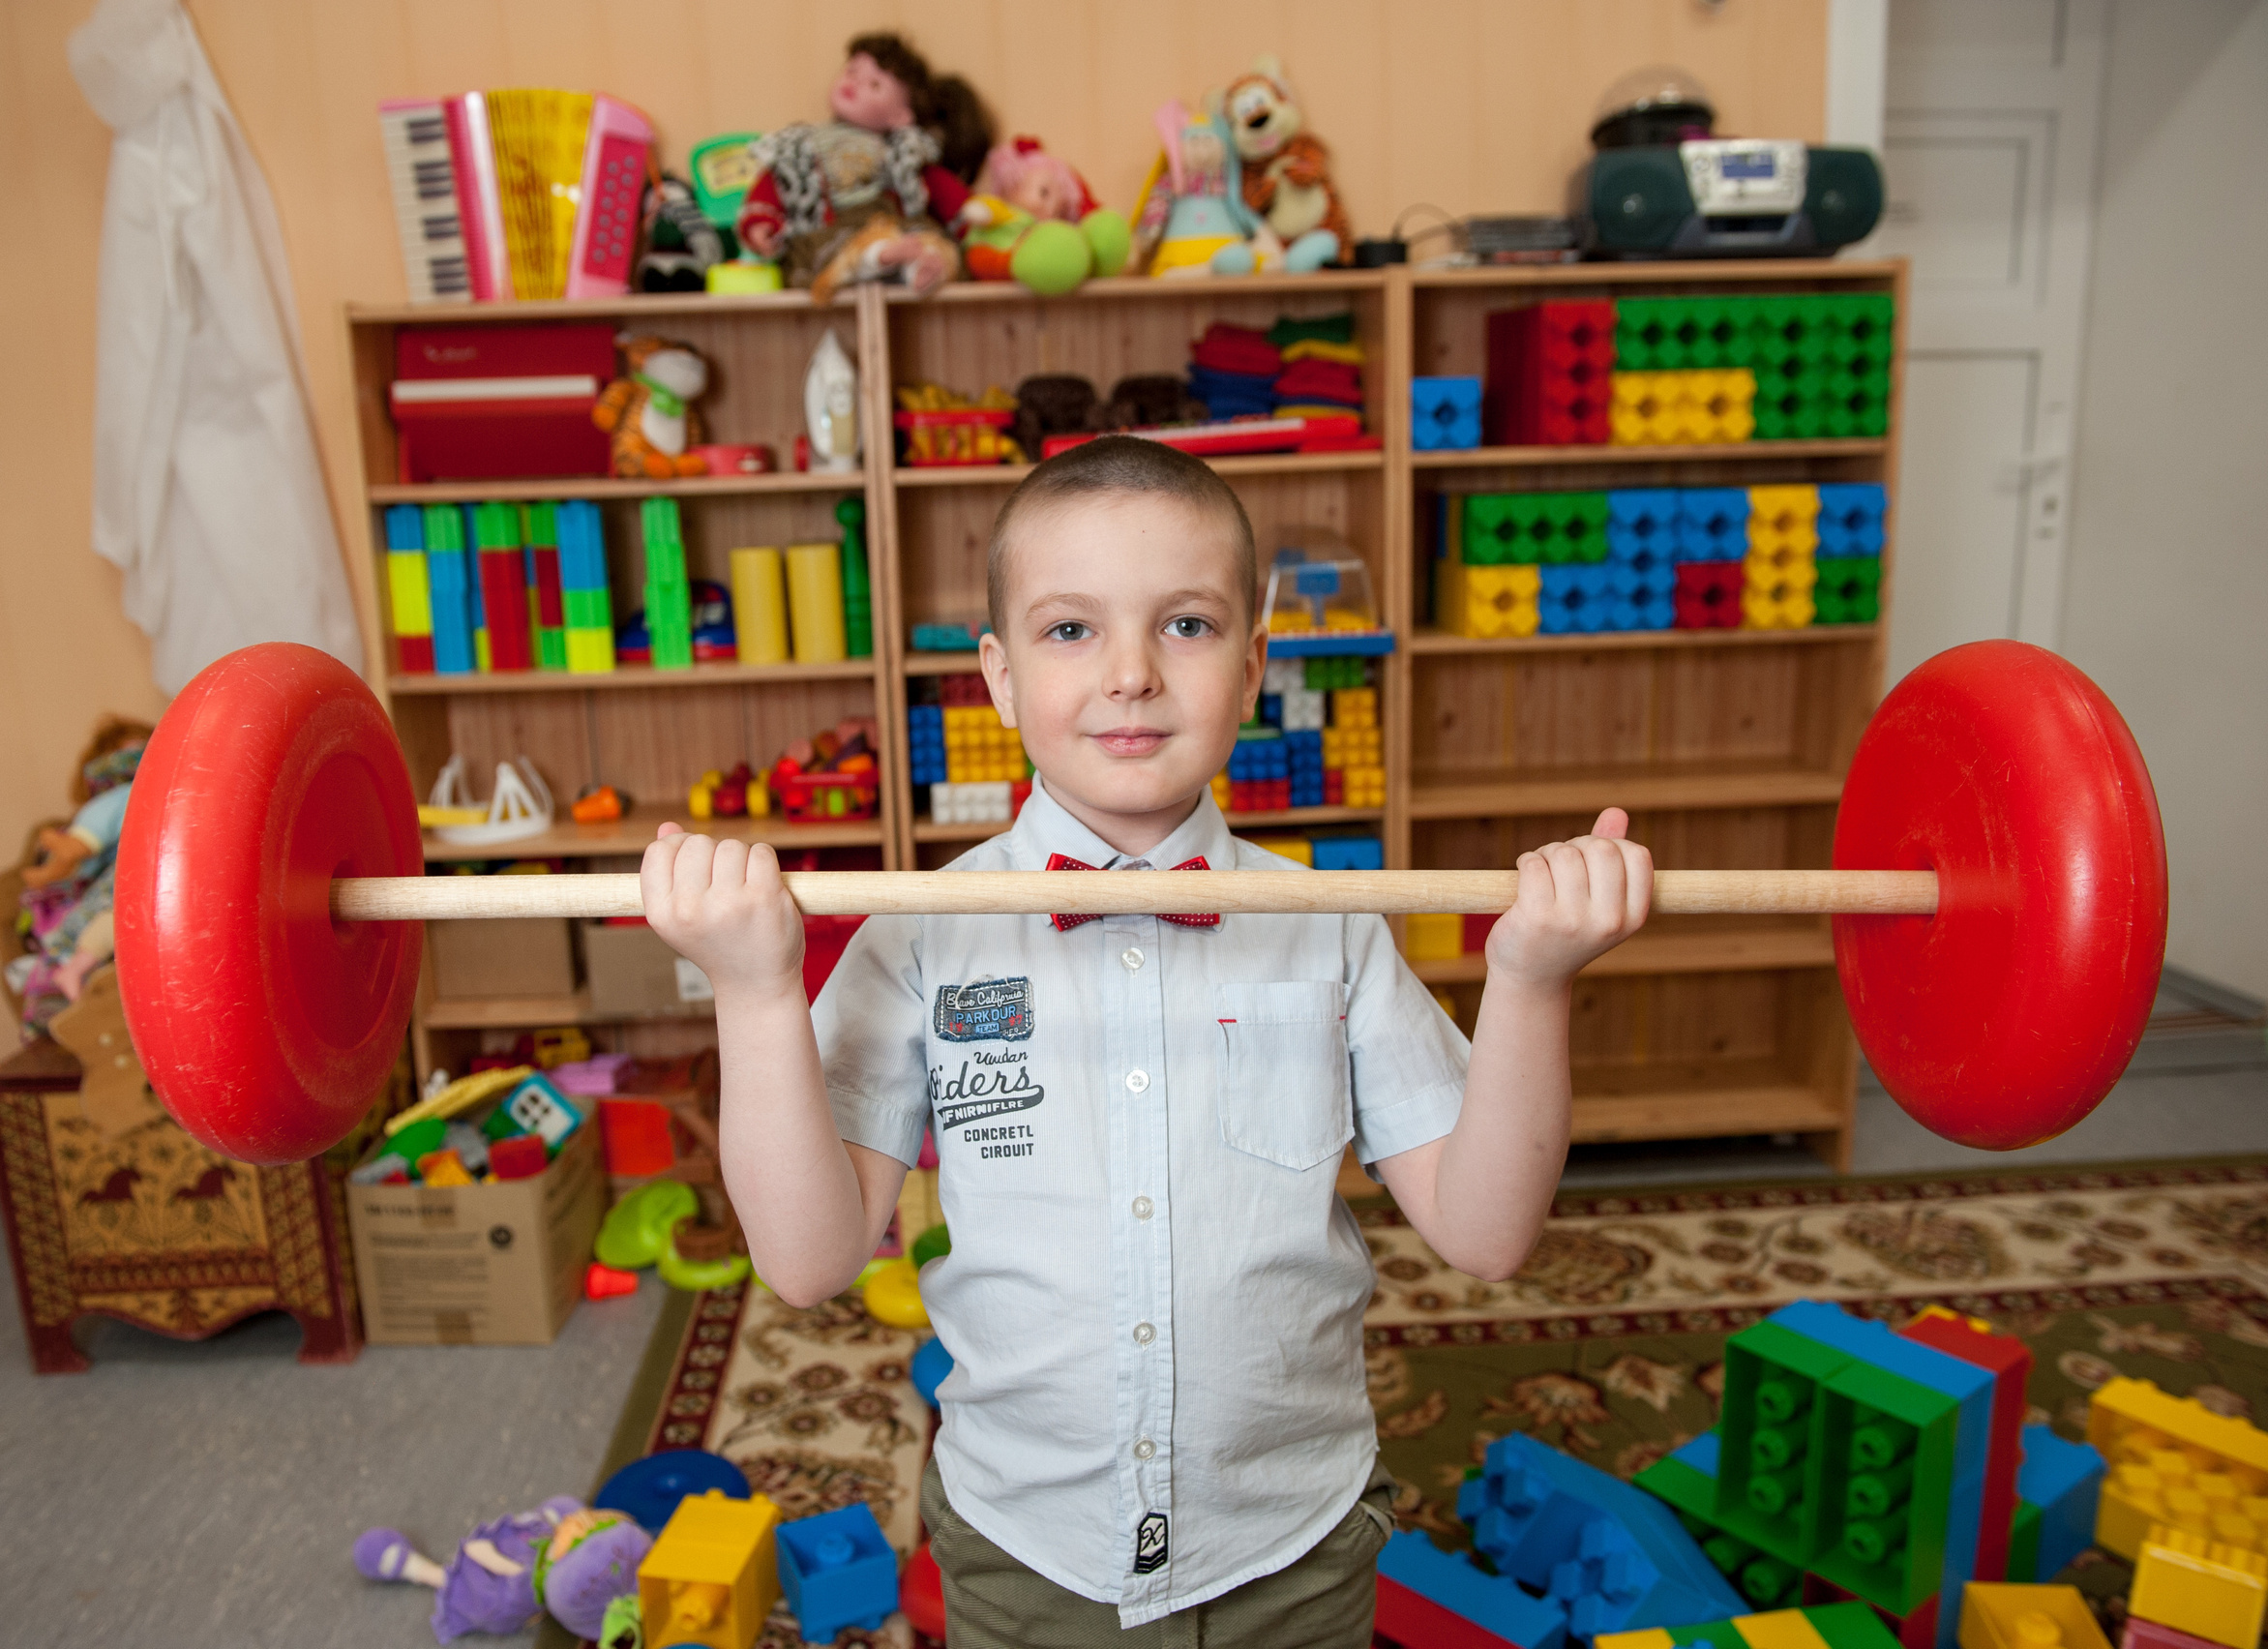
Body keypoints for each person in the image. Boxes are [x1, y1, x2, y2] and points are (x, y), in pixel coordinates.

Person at [639, 435, 1652, 1647]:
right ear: (1000, 679)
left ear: (1254, 663)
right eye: (1071, 631)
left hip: (1294, 1540)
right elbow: (806, 1263)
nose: (1129, 674)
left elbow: (1488, 1233)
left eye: (1185, 624)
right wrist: (752, 992)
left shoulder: (1330, 927)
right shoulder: (921, 937)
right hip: (1027, 1546)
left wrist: (1532, 982)